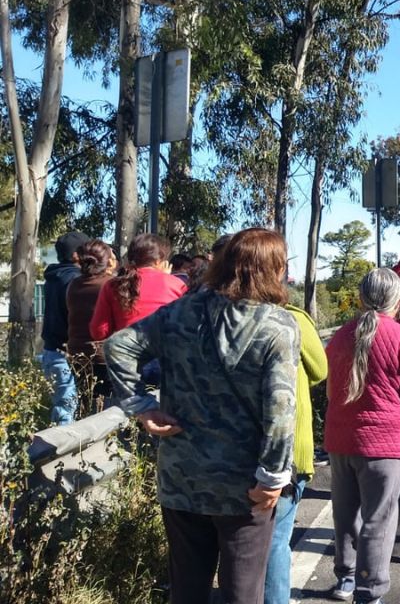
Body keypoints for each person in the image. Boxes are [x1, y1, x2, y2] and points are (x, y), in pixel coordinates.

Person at [104, 228, 300, 604]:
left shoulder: (181, 311)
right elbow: (280, 409)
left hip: (182, 478)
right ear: (271, 269)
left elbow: (118, 347)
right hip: (244, 487)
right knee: (242, 593)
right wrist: (273, 477)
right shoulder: (277, 324)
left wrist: (142, 407)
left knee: (187, 591)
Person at [324, 268, 400, 603]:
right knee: (379, 519)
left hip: (341, 439)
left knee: (345, 513)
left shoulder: (341, 335)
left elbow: (330, 392)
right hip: (383, 444)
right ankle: (370, 590)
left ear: (360, 298)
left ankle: (346, 578)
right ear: (398, 300)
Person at [263, 300, 328, 604]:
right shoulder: (292, 318)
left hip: (230, 452)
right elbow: (319, 368)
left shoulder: (218, 316)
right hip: (288, 445)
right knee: (275, 540)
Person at [89, 233, 187, 341]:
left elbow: (99, 332)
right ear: (158, 261)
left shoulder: (112, 285)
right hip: (165, 353)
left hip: (125, 353)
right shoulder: (177, 285)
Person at [41, 230, 90, 424]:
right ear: (76, 255)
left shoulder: (54, 276)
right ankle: (57, 452)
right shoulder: (73, 280)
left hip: (51, 350)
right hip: (65, 352)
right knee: (66, 410)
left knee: (62, 406)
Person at [66, 239, 117, 406]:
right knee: (110, 408)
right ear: (108, 261)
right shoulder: (111, 285)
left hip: (77, 352)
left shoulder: (73, 284)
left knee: (85, 403)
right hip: (105, 355)